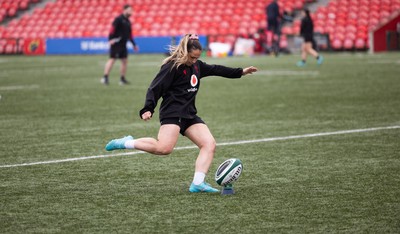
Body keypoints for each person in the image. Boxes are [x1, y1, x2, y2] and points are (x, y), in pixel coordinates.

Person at [105, 34, 258, 193]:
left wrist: (241, 72)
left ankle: (198, 183)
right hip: (172, 113)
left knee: (209, 144)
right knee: (164, 148)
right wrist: (147, 108)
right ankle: (126, 142)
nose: (194, 60)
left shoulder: (197, 66)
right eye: (192, 57)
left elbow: (216, 69)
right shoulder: (172, 67)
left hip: (189, 114)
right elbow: (155, 88)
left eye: (197, 57)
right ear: (185, 52)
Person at [101, 4, 139, 85]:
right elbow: (112, 29)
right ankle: (105, 77)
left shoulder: (128, 21)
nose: (131, 12)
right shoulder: (118, 19)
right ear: (124, 10)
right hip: (116, 43)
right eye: (129, 10)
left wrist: (134, 45)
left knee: (124, 61)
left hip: (123, 44)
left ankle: (122, 79)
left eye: (131, 11)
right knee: (112, 59)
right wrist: (110, 39)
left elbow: (130, 35)